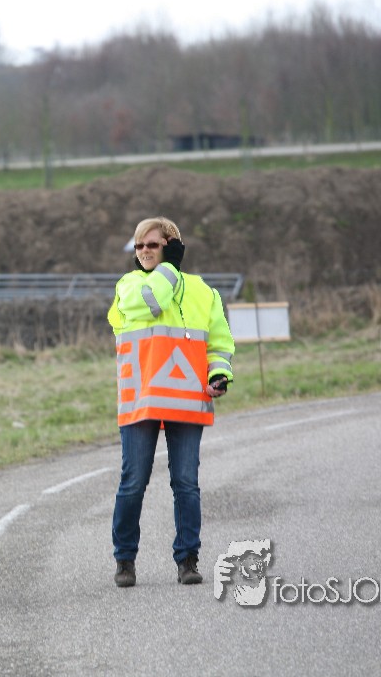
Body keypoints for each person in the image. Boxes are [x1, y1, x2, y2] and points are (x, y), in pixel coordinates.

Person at [108, 216, 235, 588]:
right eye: (139, 246)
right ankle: (125, 560)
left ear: (172, 245)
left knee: (186, 483)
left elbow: (219, 343)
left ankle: (188, 560)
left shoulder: (203, 291)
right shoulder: (129, 285)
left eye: (153, 245)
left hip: (187, 399)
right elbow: (153, 301)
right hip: (141, 398)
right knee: (134, 482)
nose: (144, 251)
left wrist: (219, 373)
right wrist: (170, 267)